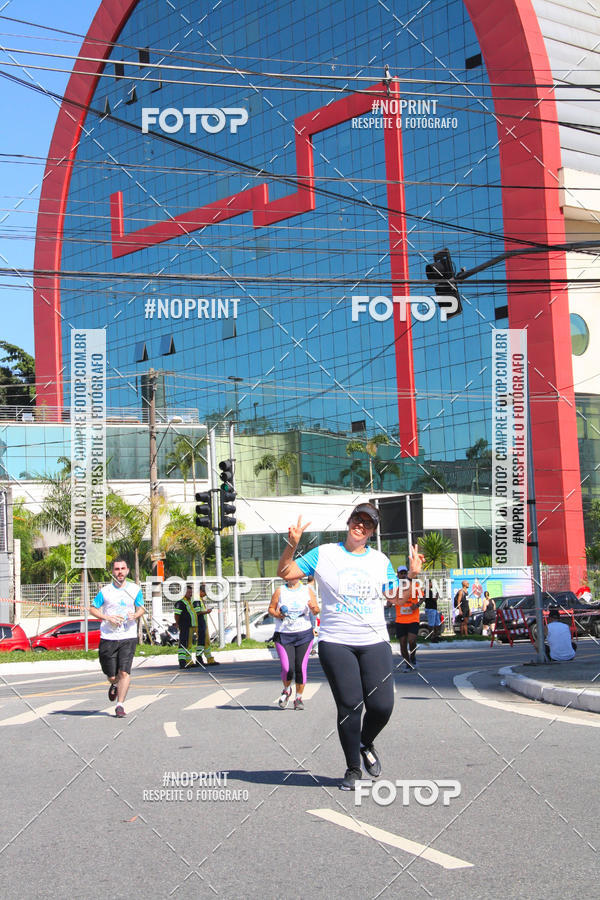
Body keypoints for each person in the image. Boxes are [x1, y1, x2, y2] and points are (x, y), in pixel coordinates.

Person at [277, 504, 422, 791]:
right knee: (350, 706)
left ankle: (365, 741)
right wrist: (292, 544)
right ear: (349, 521)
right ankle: (353, 768)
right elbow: (286, 571)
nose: (362, 526)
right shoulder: (324, 554)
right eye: (359, 519)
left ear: (372, 531)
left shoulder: (381, 561)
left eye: (368, 524)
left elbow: (396, 598)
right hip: (336, 641)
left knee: (382, 706)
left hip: (374, 641)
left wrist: (413, 576)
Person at [89, 557, 145, 718]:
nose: (120, 572)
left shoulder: (134, 589)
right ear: (113, 572)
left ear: (127, 571)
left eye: (122, 569)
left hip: (128, 636)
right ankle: (114, 684)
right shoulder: (105, 591)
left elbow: (141, 608)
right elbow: (93, 609)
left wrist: (135, 615)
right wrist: (107, 618)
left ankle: (120, 704)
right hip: (108, 637)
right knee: (112, 675)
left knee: (124, 672)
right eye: (117, 569)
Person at [268, 576, 319, 709]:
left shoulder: (307, 590)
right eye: (289, 575)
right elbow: (271, 609)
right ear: (285, 577)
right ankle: (287, 690)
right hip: (283, 634)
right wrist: (278, 614)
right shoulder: (279, 591)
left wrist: (313, 608)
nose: (293, 577)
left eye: (296, 574)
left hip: (304, 634)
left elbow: (316, 610)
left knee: (300, 668)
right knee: (287, 668)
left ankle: (298, 698)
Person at [174, 583, 212, 669]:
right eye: (189, 593)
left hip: (191, 625)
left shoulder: (189, 602)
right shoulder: (180, 603)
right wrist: (177, 623)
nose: (190, 594)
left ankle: (188, 661)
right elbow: (177, 615)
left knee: (188, 644)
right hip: (185, 626)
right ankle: (182, 662)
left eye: (191, 593)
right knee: (184, 644)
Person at [394, 570, 424, 670]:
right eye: (401, 573)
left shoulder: (414, 585)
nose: (403, 575)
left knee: (411, 641)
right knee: (402, 644)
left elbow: (422, 597)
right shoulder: (395, 588)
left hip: (413, 619)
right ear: (398, 575)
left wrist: (417, 605)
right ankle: (408, 664)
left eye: (404, 573)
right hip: (400, 620)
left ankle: (413, 657)